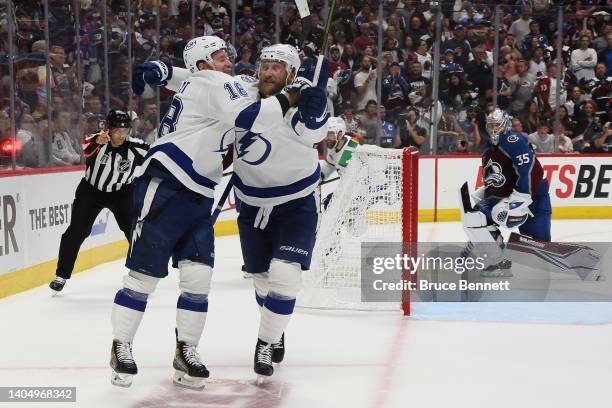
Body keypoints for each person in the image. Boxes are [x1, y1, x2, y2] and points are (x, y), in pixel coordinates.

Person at [111, 36, 304, 389]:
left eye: (228, 55)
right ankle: (120, 346)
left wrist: (163, 70)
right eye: (219, 57)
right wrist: (293, 94)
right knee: (143, 275)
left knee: (197, 278)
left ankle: (186, 350)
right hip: (168, 181)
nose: (229, 61)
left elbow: (224, 82)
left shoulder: (206, 80)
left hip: (200, 192)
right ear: (204, 64)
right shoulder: (212, 81)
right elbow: (252, 116)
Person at [150, 44, 329, 380]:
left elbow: (315, 133)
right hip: (251, 202)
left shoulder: (302, 100)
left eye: (278, 67)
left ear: (291, 73)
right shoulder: (243, 91)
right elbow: (202, 79)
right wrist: (165, 73)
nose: (269, 71)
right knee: (262, 280)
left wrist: (316, 98)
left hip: (297, 202)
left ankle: (266, 341)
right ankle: (276, 329)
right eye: (266, 64)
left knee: (285, 276)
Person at [49, 110, 149, 294]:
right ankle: (61, 276)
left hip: (121, 193)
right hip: (91, 191)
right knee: (76, 232)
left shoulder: (136, 147)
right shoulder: (96, 140)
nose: (121, 134)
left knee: (133, 231)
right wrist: (97, 141)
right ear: (108, 129)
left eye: (125, 130)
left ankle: (143, 272)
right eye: (117, 130)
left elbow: (155, 156)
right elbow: (86, 148)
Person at [461, 108, 551, 278]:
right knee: (476, 216)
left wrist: (521, 199)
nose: (494, 128)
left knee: (540, 249)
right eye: (491, 125)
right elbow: (498, 178)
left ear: (506, 125)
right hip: (508, 198)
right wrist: (484, 195)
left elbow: (529, 171)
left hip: (533, 198)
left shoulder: (514, 140)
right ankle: (498, 262)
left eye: (497, 124)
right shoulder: (488, 149)